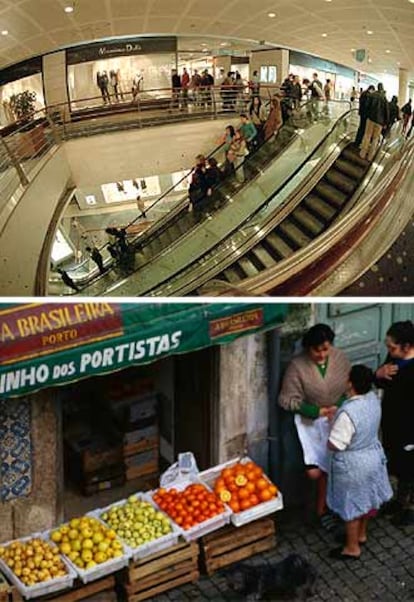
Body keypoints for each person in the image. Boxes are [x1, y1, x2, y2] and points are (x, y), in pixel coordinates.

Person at [278, 324, 351, 524]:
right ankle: (314, 507)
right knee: (315, 471)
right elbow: (286, 400)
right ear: (307, 348)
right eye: (316, 350)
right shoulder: (297, 366)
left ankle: (325, 509)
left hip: (336, 419)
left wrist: (338, 406)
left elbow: (349, 389)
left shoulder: (340, 358)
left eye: (325, 349)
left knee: (335, 465)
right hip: (309, 424)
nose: (321, 354)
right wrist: (314, 411)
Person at [327, 365, 393, 560]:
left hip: (353, 465)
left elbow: (336, 445)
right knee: (365, 501)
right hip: (372, 457)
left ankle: (352, 547)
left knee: (352, 507)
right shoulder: (373, 399)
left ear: (350, 383)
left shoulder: (347, 414)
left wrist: (331, 430)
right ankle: (361, 534)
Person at [375, 321, 414, 526]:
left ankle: (410, 508)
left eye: (392, 347)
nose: (389, 351)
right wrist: (378, 374)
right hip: (392, 422)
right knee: (398, 464)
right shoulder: (395, 358)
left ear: (407, 346)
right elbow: (382, 380)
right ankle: (400, 501)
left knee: (411, 466)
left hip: (410, 427)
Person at [360, 83, 390, 161]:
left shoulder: (372, 95)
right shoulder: (384, 99)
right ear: (382, 88)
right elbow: (387, 112)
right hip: (379, 122)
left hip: (371, 119)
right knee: (375, 139)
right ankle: (370, 156)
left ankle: (362, 154)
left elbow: (367, 106)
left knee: (367, 136)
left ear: (377, 87)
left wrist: (366, 116)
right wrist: (386, 123)